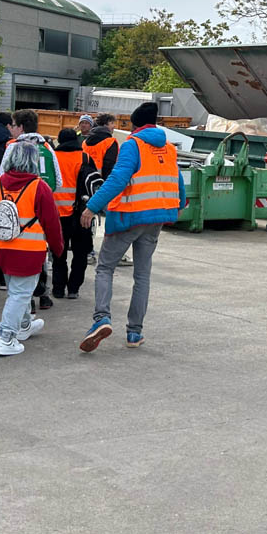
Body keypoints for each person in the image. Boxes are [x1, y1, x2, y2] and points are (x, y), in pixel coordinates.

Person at [78, 102, 185, 353]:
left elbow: (117, 179)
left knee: (105, 267)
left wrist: (92, 206)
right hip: (157, 218)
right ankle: (134, 332)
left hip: (130, 216)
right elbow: (178, 181)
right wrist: (178, 206)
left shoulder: (132, 145)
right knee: (142, 275)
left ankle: (101, 318)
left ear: (134, 126)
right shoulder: (169, 148)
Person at [0, 140, 64, 357]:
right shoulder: (39, 187)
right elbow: (52, 224)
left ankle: (24, 325)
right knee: (20, 293)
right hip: (29, 250)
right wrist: (58, 248)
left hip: (1, 248)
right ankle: (6, 337)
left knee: (16, 290)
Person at [0, 109, 62, 309]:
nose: (11, 129)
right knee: (41, 254)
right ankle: (43, 294)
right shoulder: (47, 146)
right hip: (40, 211)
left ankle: (25, 302)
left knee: (17, 255)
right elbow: (58, 181)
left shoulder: (13, 147)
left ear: (21, 127)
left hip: (17, 210)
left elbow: (1, 178)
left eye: (13, 125)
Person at [51, 128, 97, 299]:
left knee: (58, 254)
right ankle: (73, 289)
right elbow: (94, 185)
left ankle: (58, 289)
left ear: (60, 140)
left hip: (57, 214)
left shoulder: (53, 158)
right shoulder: (85, 158)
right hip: (81, 214)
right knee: (80, 254)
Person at [82, 113, 129, 266]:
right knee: (113, 219)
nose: (114, 126)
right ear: (107, 124)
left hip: (86, 183)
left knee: (88, 219)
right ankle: (115, 255)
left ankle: (88, 252)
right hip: (104, 186)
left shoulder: (86, 141)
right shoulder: (110, 142)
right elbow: (110, 166)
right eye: (112, 123)